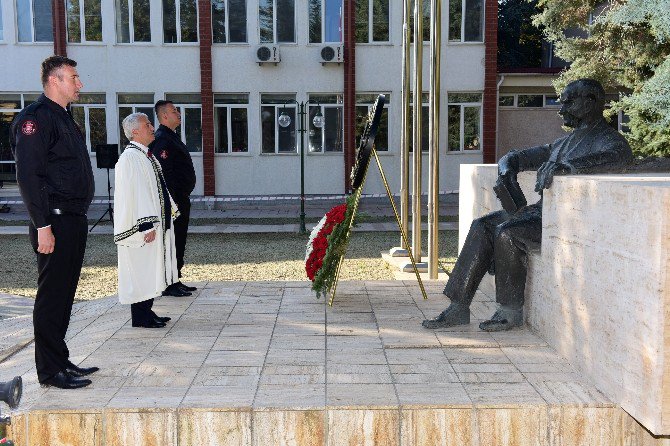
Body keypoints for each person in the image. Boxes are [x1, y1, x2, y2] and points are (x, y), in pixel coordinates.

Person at [423, 78, 633, 332]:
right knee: (482, 225)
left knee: (508, 233)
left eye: (567, 102)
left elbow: (617, 157)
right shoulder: (564, 143)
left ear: (589, 103)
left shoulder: (608, 140)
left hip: (567, 219)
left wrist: (567, 167)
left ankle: (510, 311)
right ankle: (458, 307)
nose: (561, 109)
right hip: (542, 212)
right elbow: (520, 156)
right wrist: (507, 165)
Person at [10, 56, 98, 389]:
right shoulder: (35, 119)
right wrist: (42, 225)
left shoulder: (63, 118)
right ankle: (49, 371)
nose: (80, 84)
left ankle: (60, 360)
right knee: (51, 296)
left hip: (73, 219)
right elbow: (28, 176)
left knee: (64, 294)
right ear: (54, 81)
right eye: (74, 78)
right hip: (54, 221)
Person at [114, 113, 179, 328]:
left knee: (149, 269)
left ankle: (147, 312)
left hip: (152, 224)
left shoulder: (145, 156)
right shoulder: (131, 158)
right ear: (135, 131)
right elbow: (138, 193)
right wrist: (146, 224)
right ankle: (140, 317)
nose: (152, 127)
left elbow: (159, 188)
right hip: (142, 228)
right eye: (148, 124)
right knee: (141, 270)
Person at [149, 100, 197, 297]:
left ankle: (175, 278)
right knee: (172, 240)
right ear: (164, 116)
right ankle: (168, 283)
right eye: (174, 111)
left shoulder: (172, 137)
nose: (179, 113)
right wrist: (171, 201)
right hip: (173, 202)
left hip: (180, 199)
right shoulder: (162, 139)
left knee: (179, 239)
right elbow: (165, 175)